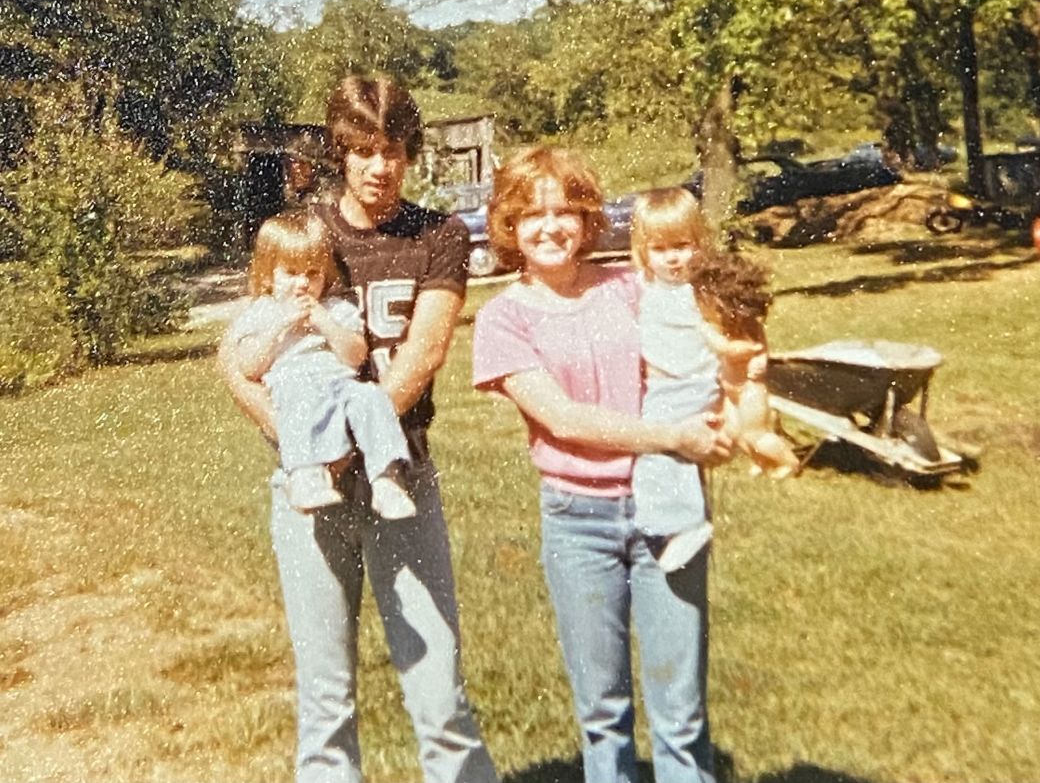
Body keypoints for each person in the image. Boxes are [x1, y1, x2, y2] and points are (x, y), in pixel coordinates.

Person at [219, 75, 497, 783]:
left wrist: (352, 448)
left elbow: (425, 351)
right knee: (325, 698)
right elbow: (235, 355)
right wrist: (297, 440)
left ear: (410, 151)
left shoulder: (437, 234)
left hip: (399, 474)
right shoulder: (309, 232)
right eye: (365, 151)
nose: (381, 167)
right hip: (308, 486)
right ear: (341, 152)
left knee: (438, 691)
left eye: (394, 149)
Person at [471, 146, 731, 783]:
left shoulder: (630, 289)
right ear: (509, 227)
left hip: (667, 509)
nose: (550, 226)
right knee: (604, 711)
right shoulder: (502, 320)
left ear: (589, 221)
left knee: (681, 711)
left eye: (566, 211)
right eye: (531, 213)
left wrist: (731, 403)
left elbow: (704, 350)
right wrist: (673, 435)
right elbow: (564, 420)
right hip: (578, 522)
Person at [222, 209, 414, 517]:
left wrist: (325, 323)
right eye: (291, 272)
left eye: (312, 273)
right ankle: (304, 476)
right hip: (293, 384)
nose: (303, 284)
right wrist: (280, 326)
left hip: (340, 384)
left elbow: (355, 356)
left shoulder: (335, 308)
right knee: (300, 404)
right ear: (269, 275)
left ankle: (387, 480)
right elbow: (248, 366)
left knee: (371, 398)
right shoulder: (263, 312)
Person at [628, 187, 721, 574]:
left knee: (657, 453)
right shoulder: (646, 287)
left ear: (700, 243)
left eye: (682, 245)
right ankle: (673, 524)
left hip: (692, 381)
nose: (672, 258)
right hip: (665, 383)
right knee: (666, 454)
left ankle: (684, 524)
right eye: (660, 248)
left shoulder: (699, 292)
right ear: (643, 251)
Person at [689, 250, 800, 480]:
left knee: (755, 433)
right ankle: (761, 460)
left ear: (721, 300)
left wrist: (761, 360)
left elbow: (755, 345)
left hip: (750, 391)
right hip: (731, 391)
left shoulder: (745, 326)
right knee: (735, 432)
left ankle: (789, 461)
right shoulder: (718, 325)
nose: (699, 305)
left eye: (703, 300)